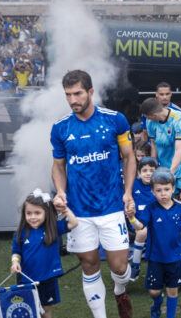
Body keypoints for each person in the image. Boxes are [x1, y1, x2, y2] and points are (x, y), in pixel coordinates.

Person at [50, 70, 136, 318]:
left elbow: (129, 157)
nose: (73, 99)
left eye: (77, 93)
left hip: (111, 208)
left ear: (90, 92)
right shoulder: (60, 127)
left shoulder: (115, 120)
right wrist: (60, 193)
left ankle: (120, 290)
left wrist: (128, 192)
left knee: (120, 268)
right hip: (78, 212)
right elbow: (58, 165)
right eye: (68, 95)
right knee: (89, 265)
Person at [126, 168, 181, 318]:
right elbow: (140, 227)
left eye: (166, 189)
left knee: (172, 290)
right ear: (153, 192)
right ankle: (157, 302)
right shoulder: (150, 209)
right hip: (155, 257)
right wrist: (131, 218)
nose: (163, 193)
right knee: (154, 291)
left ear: (173, 189)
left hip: (174, 257)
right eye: (159, 190)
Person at [11, 189, 78, 318]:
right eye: (29, 213)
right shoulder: (22, 232)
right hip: (27, 279)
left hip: (48, 278)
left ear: (46, 213)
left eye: (37, 213)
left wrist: (64, 209)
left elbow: (74, 223)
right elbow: (16, 252)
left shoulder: (53, 227)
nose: (33, 217)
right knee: (29, 309)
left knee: (46, 310)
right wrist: (15, 262)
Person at [141, 97, 181, 201]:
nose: (147, 119)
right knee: (167, 201)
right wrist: (153, 166)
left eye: (147, 117)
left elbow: (179, 150)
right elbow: (153, 145)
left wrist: (171, 172)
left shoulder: (179, 119)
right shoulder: (150, 122)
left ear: (154, 115)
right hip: (164, 167)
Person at [129, 157, 159, 282]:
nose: (148, 173)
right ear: (139, 173)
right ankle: (135, 266)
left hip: (158, 222)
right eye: (145, 170)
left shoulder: (160, 185)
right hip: (138, 222)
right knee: (141, 232)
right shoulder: (133, 185)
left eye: (152, 170)